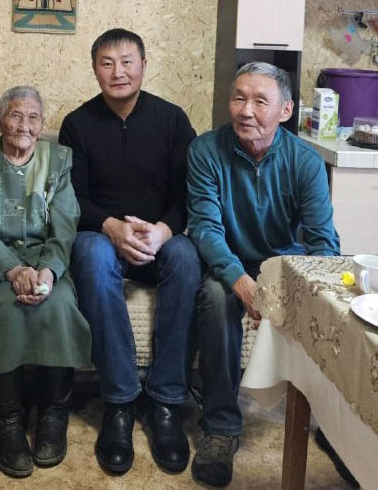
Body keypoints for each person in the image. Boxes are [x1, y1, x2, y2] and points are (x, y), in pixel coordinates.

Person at [187, 61, 340, 487]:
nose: (246, 110)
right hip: (230, 259)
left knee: (328, 304)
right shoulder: (205, 151)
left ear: (286, 110)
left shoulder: (305, 161)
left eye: (260, 101)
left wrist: (314, 288)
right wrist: (240, 282)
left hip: (284, 263)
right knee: (214, 296)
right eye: (239, 98)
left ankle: (334, 427)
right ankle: (220, 427)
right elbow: (204, 228)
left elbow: (321, 240)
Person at [59, 28, 202, 475]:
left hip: (160, 237)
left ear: (143, 65)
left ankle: (165, 402)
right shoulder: (77, 124)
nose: (118, 71)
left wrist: (164, 230)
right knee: (91, 253)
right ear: (94, 69)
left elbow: (190, 191)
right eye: (107, 63)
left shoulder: (172, 119)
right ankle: (119, 402)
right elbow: (71, 197)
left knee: (186, 257)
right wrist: (111, 227)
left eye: (126, 61)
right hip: (103, 236)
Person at [0, 86, 91, 477]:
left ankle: (54, 414)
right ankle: (5, 420)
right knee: (6, 308)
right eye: (15, 115)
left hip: (47, 260)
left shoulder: (59, 159)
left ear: (42, 124)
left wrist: (48, 270)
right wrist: (13, 271)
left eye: (33, 117)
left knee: (60, 304)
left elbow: (65, 225)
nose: (24, 125)